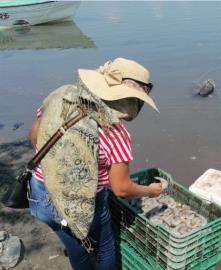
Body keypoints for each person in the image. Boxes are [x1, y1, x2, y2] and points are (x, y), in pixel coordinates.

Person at [27, 58, 163, 270]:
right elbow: (121, 188)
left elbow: (34, 137)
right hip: (86, 205)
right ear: (130, 100)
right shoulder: (115, 133)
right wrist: (150, 191)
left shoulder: (62, 96)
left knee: (74, 244)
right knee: (105, 247)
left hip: (40, 193)